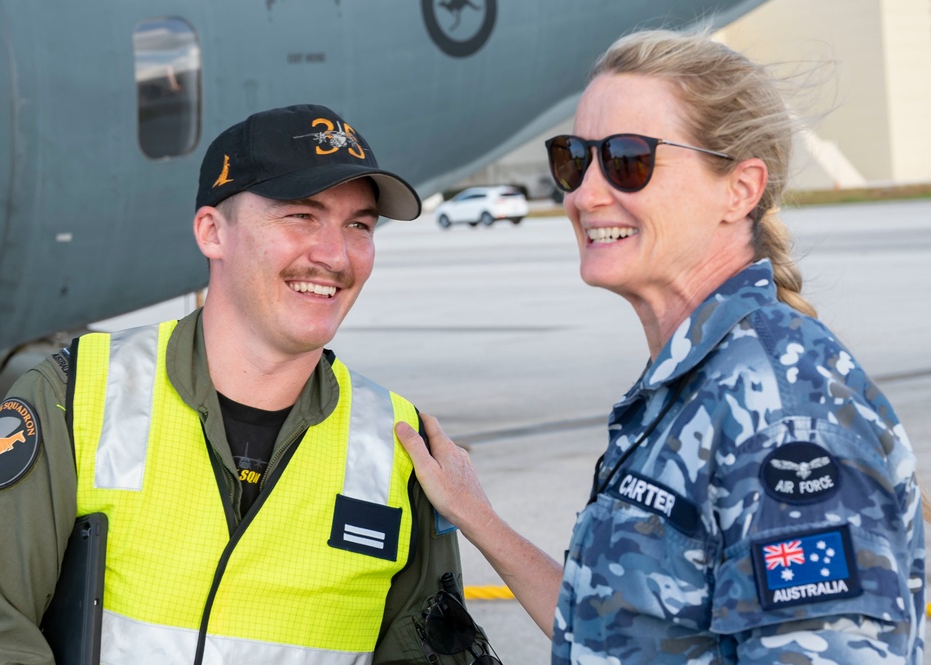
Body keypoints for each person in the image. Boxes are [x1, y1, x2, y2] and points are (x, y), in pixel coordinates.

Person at [395, 29, 927, 664]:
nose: (584, 193)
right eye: (574, 157)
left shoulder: (785, 415)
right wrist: (477, 514)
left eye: (627, 159)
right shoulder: (692, 385)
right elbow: (612, 634)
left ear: (740, 189)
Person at [0, 104, 489, 664]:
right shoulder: (71, 397)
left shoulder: (401, 449)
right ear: (211, 232)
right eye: (301, 216)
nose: (335, 255)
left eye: (359, 225)